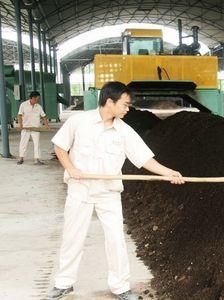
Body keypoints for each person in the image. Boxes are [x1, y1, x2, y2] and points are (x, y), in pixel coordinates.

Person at [47, 81, 185, 300]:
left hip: (108, 192)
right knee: (73, 237)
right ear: (109, 102)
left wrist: (168, 172)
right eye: (125, 104)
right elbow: (60, 146)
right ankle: (64, 283)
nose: (128, 109)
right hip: (80, 189)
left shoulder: (124, 131)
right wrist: (71, 168)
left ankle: (120, 287)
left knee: (115, 239)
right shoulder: (79, 122)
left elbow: (145, 158)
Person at [17, 91, 49, 165]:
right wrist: (20, 125)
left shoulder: (39, 106)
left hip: (35, 128)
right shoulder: (23, 105)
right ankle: (21, 158)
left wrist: (47, 125)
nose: (38, 100)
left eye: (38, 99)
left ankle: (37, 159)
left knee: (37, 143)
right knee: (23, 143)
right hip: (26, 127)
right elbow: (19, 115)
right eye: (37, 99)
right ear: (32, 98)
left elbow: (44, 116)